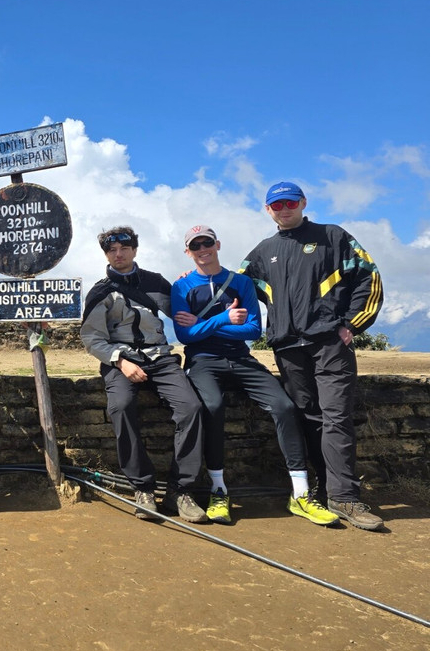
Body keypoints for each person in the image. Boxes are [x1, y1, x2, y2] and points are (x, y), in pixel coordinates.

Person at [240, 182, 385, 531]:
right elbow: (234, 286)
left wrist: (352, 324)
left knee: (336, 417)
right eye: (276, 205)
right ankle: (320, 490)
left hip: (329, 344)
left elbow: (370, 277)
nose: (284, 208)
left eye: (290, 202)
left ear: (303, 203)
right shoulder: (263, 251)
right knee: (308, 417)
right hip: (288, 348)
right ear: (267, 210)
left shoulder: (332, 236)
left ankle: (345, 497)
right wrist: (193, 279)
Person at [172, 225, 338, 527]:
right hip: (203, 361)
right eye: (195, 246)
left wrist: (203, 323)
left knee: (285, 407)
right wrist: (224, 318)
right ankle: (218, 490)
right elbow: (185, 335)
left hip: (240, 358)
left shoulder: (241, 283)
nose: (202, 249)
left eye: (206, 242)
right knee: (212, 407)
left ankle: (300, 493)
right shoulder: (181, 287)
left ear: (217, 244)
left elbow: (251, 330)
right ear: (188, 252)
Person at [79, 226, 207, 524]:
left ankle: (181, 490)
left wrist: (188, 286)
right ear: (106, 254)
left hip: (160, 358)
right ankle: (142, 487)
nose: (119, 254)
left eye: (124, 248)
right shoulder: (100, 291)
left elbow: (181, 310)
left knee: (191, 407)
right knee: (120, 407)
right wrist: (121, 361)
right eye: (112, 250)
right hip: (120, 361)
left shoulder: (156, 283)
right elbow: (92, 338)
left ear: (134, 249)